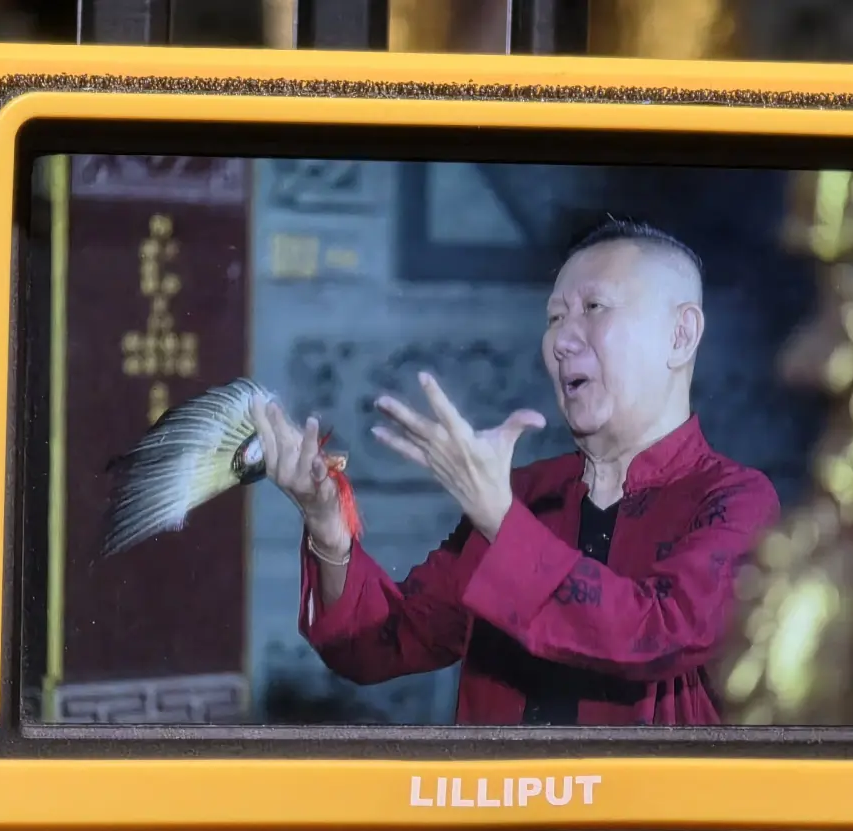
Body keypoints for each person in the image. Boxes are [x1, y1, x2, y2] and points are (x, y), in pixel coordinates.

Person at [251, 217, 780, 726]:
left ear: (681, 335)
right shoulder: (526, 495)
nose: (562, 340)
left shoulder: (734, 500)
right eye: (554, 319)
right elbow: (379, 643)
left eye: (593, 307)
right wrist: (328, 525)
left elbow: (659, 634)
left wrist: (501, 522)